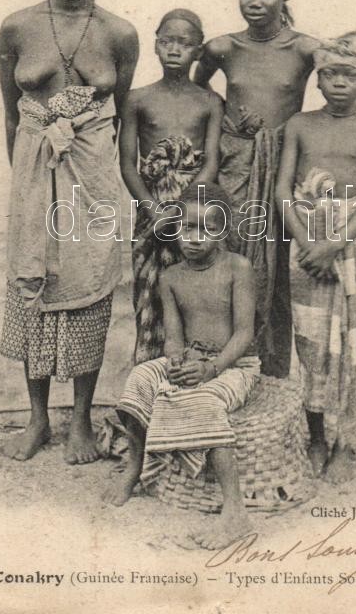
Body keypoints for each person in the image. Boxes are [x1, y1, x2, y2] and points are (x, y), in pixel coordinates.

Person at [0, 0, 139, 464]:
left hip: (94, 171)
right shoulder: (17, 26)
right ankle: (37, 420)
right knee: (33, 281)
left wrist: (111, 185)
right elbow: (10, 116)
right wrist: (27, 186)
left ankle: (80, 420)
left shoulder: (119, 33)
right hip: (35, 168)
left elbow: (122, 115)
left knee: (89, 285)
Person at [103, 183, 260, 549]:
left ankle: (235, 511)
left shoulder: (238, 268)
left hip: (234, 365)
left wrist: (212, 368)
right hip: (190, 357)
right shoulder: (171, 277)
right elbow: (173, 335)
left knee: (203, 402)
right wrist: (176, 361)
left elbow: (244, 334)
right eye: (187, 227)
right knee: (142, 377)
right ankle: (134, 467)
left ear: (222, 231)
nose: (193, 238)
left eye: (206, 229)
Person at [194, 0, 320, 377]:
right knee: (231, 256)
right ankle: (226, 367)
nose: (254, 1)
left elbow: (343, 82)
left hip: (283, 168)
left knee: (279, 270)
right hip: (237, 165)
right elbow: (199, 93)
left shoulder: (305, 49)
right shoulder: (223, 46)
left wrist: (294, 132)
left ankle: (273, 373)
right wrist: (228, 114)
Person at [275, 32, 356, 478]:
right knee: (311, 341)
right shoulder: (300, 125)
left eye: (350, 75)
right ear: (318, 81)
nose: (340, 83)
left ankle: (344, 443)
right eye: (331, 74)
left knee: (351, 343)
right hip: (303, 239)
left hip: (351, 243)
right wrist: (306, 242)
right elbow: (283, 188)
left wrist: (333, 243)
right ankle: (317, 436)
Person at [120, 10, 223, 364]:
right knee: (150, 291)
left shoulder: (210, 102)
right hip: (152, 210)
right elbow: (128, 165)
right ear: (156, 46)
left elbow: (211, 162)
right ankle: (149, 380)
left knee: (196, 291)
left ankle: (192, 379)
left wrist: (183, 211)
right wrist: (154, 211)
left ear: (198, 51)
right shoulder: (137, 99)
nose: (175, 49)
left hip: (195, 210)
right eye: (167, 41)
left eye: (185, 43)